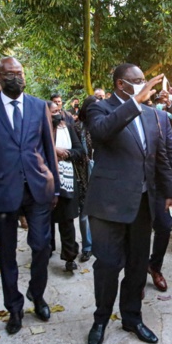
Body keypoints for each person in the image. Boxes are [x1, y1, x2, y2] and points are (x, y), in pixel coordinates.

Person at [84, 63, 172, 344]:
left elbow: (159, 156)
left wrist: (170, 192)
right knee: (109, 265)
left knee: (138, 265)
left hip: (143, 203)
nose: (144, 85)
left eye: (144, 81)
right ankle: (100, 319)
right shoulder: (99, 108)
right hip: (108, 206)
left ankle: (132, 318)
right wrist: (136, 101)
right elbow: (101, 133)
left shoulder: (152, 115)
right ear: (121, 84)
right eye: (137, 81)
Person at [0, 57, 60, 334]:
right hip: (2, 193)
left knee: (42, 246)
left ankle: (37, 293)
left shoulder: (39, 106)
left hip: (37, 189)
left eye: (19, 72)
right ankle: (15, 308)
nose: (15, 77)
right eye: (9, 73)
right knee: (7, 255)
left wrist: (54, 184)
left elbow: (48, 146)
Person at [148, 105, 172, 293]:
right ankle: (137, 274)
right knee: (138, 232)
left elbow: (171, 150)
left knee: (164, 226)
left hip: (161, 184)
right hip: (136, 185)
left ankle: (154, 267)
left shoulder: (162, 117)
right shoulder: (127, 114)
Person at [47, 101, 84, 272]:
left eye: (58, 111)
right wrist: (52, 150)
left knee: (67, 221)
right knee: (45, 221)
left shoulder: (67, 129)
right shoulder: (36, 131)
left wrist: (66, 153)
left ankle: (69, 257)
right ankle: (45, 251)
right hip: (44, 183)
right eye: (53, 112)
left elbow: (79, 151)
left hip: (66, 183)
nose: (57, 114)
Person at [74, 96, 97, 263]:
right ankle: (87, 247)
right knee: (84, 213)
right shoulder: (77, 127)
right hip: (83, 175)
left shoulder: (104, 124)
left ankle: (101, 244)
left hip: (103, 175)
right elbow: (74, 151)